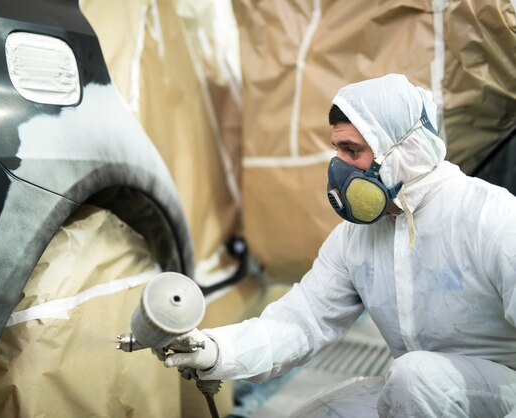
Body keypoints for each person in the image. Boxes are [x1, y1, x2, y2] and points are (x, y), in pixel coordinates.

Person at [160, 74, 516, 417]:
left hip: (503, 394)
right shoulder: (356, 238)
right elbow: (303, 321)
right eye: (337, 151)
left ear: (404, 150)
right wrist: (218, 351)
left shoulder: (490, 217)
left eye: (352, 151)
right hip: (412, 388)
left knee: (417, 378)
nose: (339, 169)